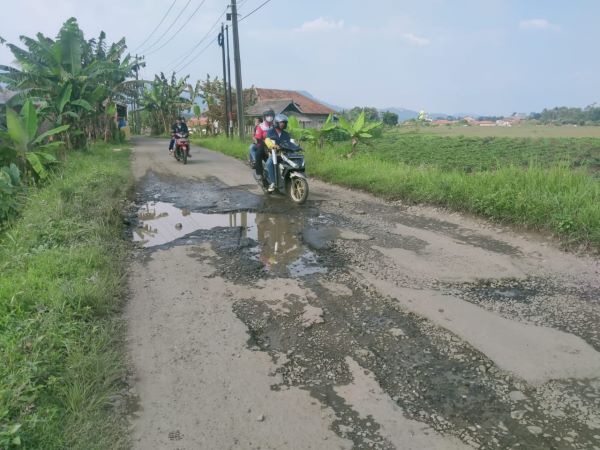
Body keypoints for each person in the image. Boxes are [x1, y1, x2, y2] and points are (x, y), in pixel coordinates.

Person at [264, 114, 291, 192]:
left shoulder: (286, 134)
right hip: (274, 154)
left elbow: (289, 143)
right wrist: (273, 146)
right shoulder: (270, 131)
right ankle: (272, 182)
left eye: (285, 123)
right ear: (276, 123)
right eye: (282, 122)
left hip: (284, 154)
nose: (284, 124)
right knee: (269, 163)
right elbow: (267, 140)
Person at [252, 109, 275, 177]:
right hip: (263, 143)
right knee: (258, 154)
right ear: (264, 117)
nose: (269, 117)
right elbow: (258, 138)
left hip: (275, 143)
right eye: (268, 115)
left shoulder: (275, 125)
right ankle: (259, 173)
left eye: (271, 115)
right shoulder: (261, 126)